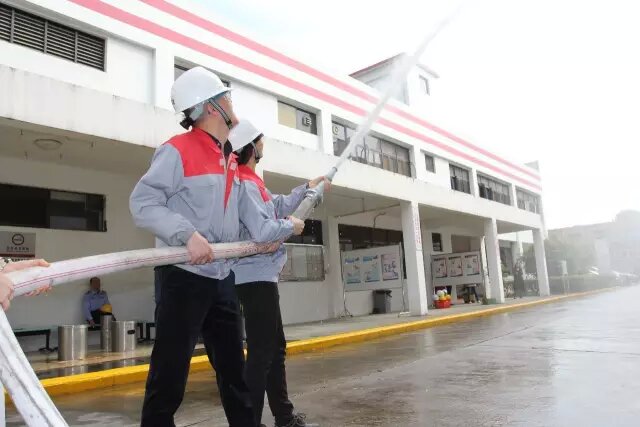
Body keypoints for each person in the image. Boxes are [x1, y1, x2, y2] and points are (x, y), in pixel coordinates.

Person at [130, 67, 305, 427]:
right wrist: (186, 234)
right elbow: (143, 203)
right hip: (183, 275)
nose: (231, 103)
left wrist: (301, 198)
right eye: (226, 97)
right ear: (211, 107)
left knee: (234, 374)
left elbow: (260, 208)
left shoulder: (227, 159)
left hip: (221, 276)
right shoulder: (177, 150)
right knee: (169, 375)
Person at [229, 120, 328, 427]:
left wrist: (307, 188)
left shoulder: (252, 182)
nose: (263, 144)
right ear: (251, 148)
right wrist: (291, 226)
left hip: (261, 276)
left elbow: (277, 204)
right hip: (254, 277)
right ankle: (250, 421)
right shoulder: (245, 185)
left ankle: (283, 416)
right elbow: (263, 230)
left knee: (274, 350)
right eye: (260, 140)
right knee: (262, 353)